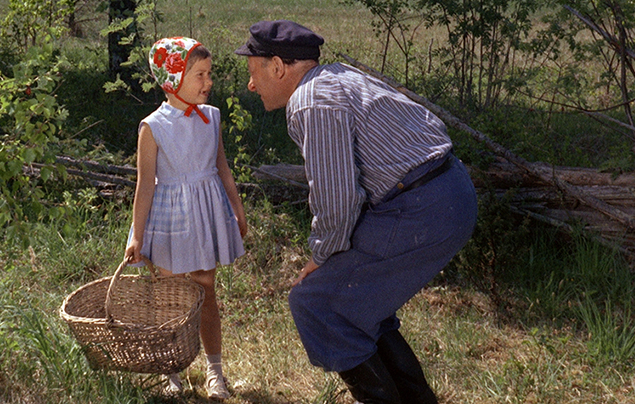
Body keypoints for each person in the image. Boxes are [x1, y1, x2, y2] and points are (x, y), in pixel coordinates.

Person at [235, 20, 478, 403]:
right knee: (361, 304)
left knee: (316, 302)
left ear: (278, 67)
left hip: (421, 207)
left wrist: (322, 255)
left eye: (254, 73)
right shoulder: (337, 76)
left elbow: (338, 199)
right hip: (448, 191)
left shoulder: (310, 100)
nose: (251, 85)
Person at [125, 36, 248, 399]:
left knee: (206, 290)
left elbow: (222, 168)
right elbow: (145, 185)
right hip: (170, 216)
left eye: (209, 74)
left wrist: (236, 208)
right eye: (200, 74)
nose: (208, 82)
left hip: (206, 210)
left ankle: (215, 370)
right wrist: (137, 235)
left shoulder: (212, 117)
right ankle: (172, 368)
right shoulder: (153, 127)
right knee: (171, 296)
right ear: (173, 78)